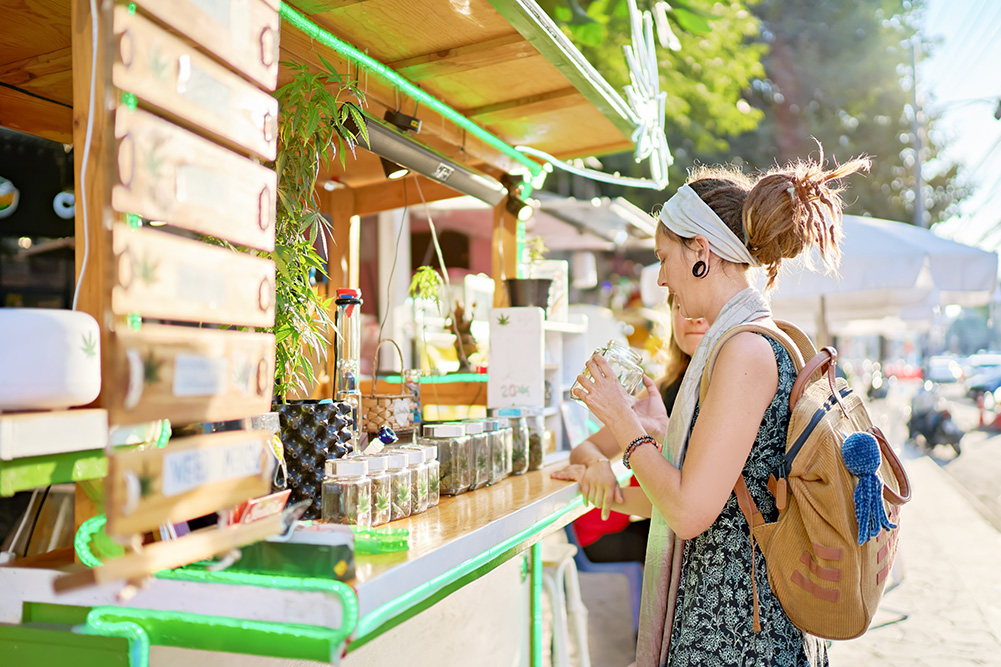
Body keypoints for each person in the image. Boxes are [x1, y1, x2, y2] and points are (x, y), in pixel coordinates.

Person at [572, 154, 868, 667]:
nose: (662, 278)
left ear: (700, 252)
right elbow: (719, 500)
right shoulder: (750, 341)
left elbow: (689, 513)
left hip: (737, 633)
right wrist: (655, 432)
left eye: (665, 257)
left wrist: (623, 422)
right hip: (739, 621)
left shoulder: (744, 351)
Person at [554, 295, 708, 564]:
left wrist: (601, 490)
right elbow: (585, 448)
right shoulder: (660, 391)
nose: (693, 317)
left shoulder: (728, 392)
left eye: (703, 305)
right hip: (664, 533)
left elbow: (692, 503)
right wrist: (598, 464)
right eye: (680, 306)